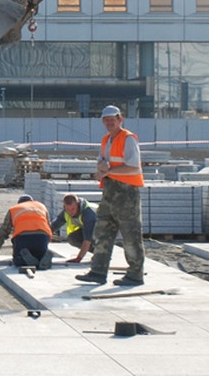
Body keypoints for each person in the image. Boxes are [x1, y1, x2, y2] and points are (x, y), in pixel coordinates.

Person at [75, 105, 145, 286]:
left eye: (112, 119)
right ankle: (98, 271)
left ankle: (135, 275)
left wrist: (108, 172)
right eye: (106, 120)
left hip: (127, 193)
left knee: (131, 236)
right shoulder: (106, 140)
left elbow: (133, 166)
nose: (109, 123)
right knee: (102, 232)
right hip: (110, 192)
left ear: (120, 119)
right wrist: (101, 171)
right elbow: (101, 162)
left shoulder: (128, 139)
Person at [0, 194, 53, 269]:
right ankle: (41, 257)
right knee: (39, 255)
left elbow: (2, 233)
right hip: (42, 237)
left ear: (19, 202)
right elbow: (48, 227)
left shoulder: (14, 209)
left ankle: (24, 259)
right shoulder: (42, 207)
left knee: (17, 261)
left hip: (23, 238)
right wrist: (46, 243)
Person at [50, 193, 97, 263]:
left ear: (77, 204)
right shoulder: (66, 212)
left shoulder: (88, 213)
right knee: (73, 238)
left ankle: (102, 254)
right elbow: (53, 226)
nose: (70, 212)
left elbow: (88, 238)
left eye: (73, 209)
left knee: (91, 237)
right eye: (68, 209)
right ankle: (97, 252)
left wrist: (78, 258)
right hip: (92, 229)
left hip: (105, 229)